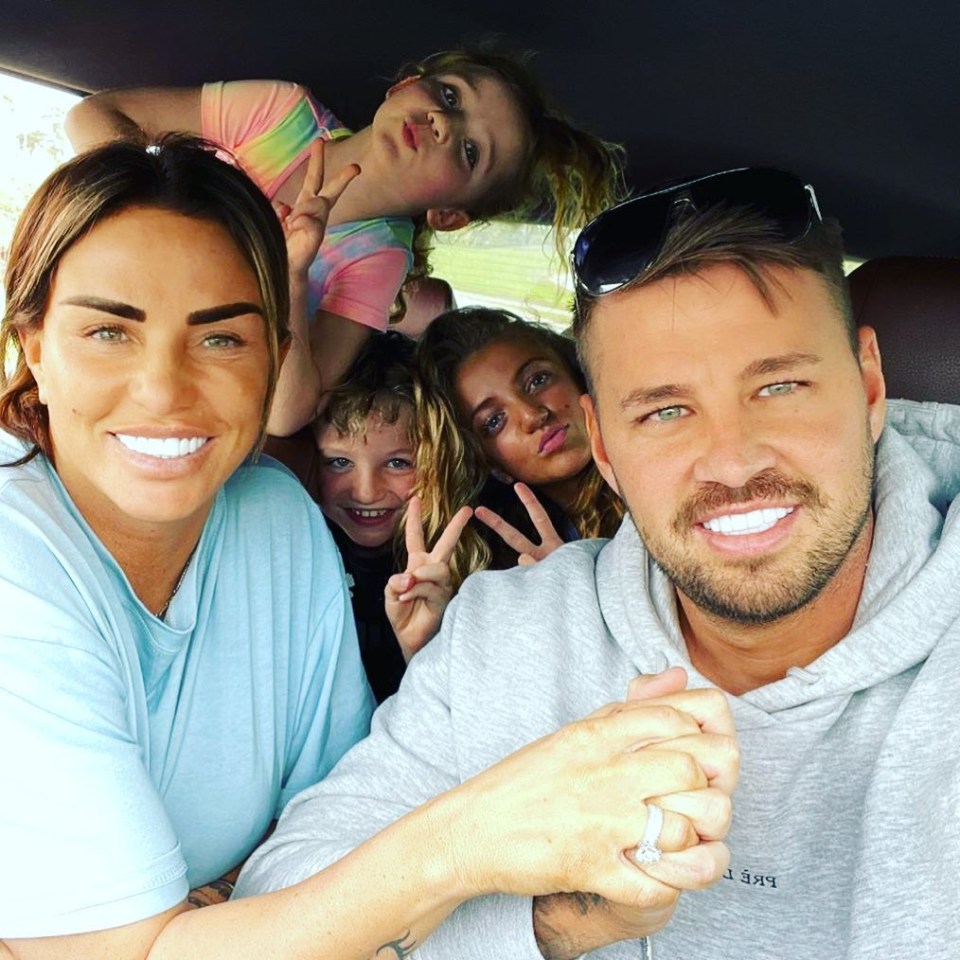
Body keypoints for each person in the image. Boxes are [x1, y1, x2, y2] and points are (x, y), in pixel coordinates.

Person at [0, 137, 736, 960]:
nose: (165, 389)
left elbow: (334, 832)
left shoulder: (275, 520)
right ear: (32, 342)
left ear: (279, 356)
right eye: (109, 332)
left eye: (221, 339)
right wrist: (474, 836)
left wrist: (216, 916)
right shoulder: (15, 554)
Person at [233, 167, 960, 959]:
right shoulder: (508, 630)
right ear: (606, 446)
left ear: (869, 387)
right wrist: (523, 886)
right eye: (666, 410)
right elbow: (277, 907)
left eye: (779, 386)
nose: (732, 461)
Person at [64, 49, 623, 435]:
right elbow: (94, 114)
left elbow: (286, 414)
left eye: (470, 151)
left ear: (449, 214)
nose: (443, 125)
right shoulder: (279, 114)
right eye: (450, 97)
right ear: (408, 86)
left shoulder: (378, 258)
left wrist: (287, 274)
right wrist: (175, 218)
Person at [264, 331, 471, 702]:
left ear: (438, 461)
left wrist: (424, 648)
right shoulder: (295, 558)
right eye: (339, 462)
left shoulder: (467, 560)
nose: (366, 491)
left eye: (397, 463)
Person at [416, 306, 623, 568]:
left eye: (538, 380)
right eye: (494, 421)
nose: (532, 415)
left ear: (576, 373)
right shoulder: (510, 563)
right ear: (492, 466)